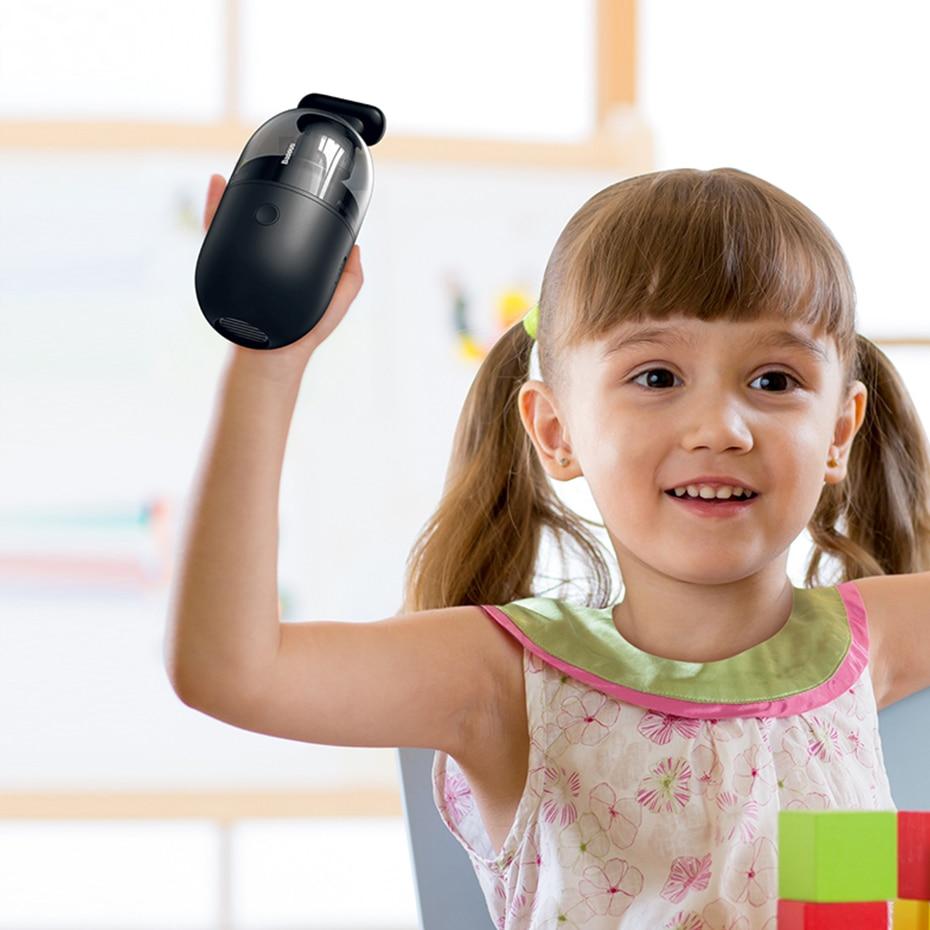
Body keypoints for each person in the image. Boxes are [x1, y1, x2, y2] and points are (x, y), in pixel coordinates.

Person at [165, 167, 930, 929]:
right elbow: (229, 671)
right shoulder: (505, 679)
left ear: (838, 432)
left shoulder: (872, 642)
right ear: (557, 432)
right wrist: (267, 358)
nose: (720, 428)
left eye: (774, 379)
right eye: (658, 375)